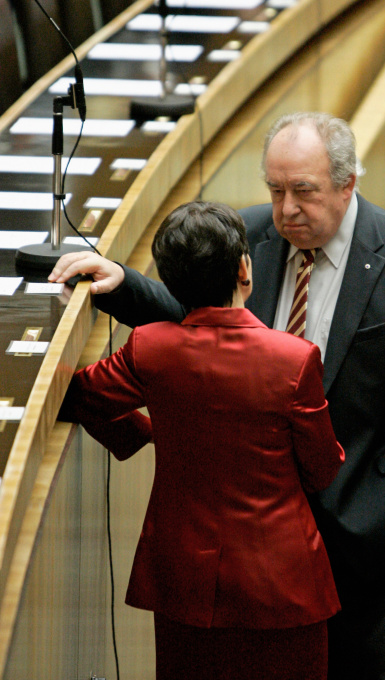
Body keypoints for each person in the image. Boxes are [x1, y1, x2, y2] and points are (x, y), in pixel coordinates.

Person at [51, 112, 385, 680]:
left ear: (348, 184)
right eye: (275, 191)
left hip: (368, 510)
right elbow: (195, 318)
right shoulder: (249, 235)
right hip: (267, 529)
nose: (286, 210)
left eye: (304, 191)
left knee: (370, 667)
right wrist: (124, 283)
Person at [59, 200, 345, 680]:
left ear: (170, 282)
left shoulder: (150, 348)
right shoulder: (293, 359)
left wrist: (147, 433)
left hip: (183, 579)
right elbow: (321, 468)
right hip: (281, 579)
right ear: (244, 269)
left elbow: (81, 397)